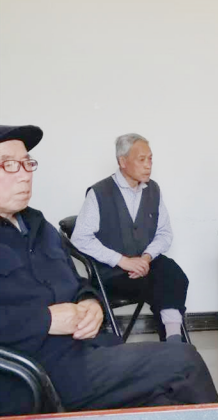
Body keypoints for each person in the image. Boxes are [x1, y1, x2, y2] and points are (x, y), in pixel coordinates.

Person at [0, 124, 218, 417]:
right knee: (184, 363)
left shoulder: (40, 227)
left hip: (90, 346)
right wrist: (46, 319)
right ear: (122, 162)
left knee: (168, 400)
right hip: (38, 370)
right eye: (9, 164)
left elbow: (76, 281)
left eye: (27, 163)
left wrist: (90, 301)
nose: (25, 174)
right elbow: (83, 242)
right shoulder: (100, 192)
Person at [73, 134, 190, 343]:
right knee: (162, 283)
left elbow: (164, 233)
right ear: (122, 161)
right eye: (141, 159)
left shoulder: (153, 190)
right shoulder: (99, 192)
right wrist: (123, 261)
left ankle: (173, 340)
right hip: (114, 273)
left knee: (174, 274)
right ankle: (173, 343)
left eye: (150, 159)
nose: (148, 165)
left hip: (146, 266)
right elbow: (80, 238)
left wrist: (145, 258)